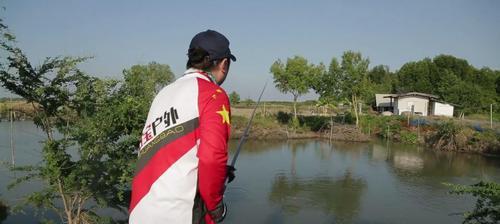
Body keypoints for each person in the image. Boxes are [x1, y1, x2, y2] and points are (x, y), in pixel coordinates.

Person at [129, 30, 236, 224]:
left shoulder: (163, 94)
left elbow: (168, 152)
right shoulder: (213, 95)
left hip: (140, 212)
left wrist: (221, 173)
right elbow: (212, 158)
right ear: (224, 64)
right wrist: (216, 207)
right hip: (179, 215)